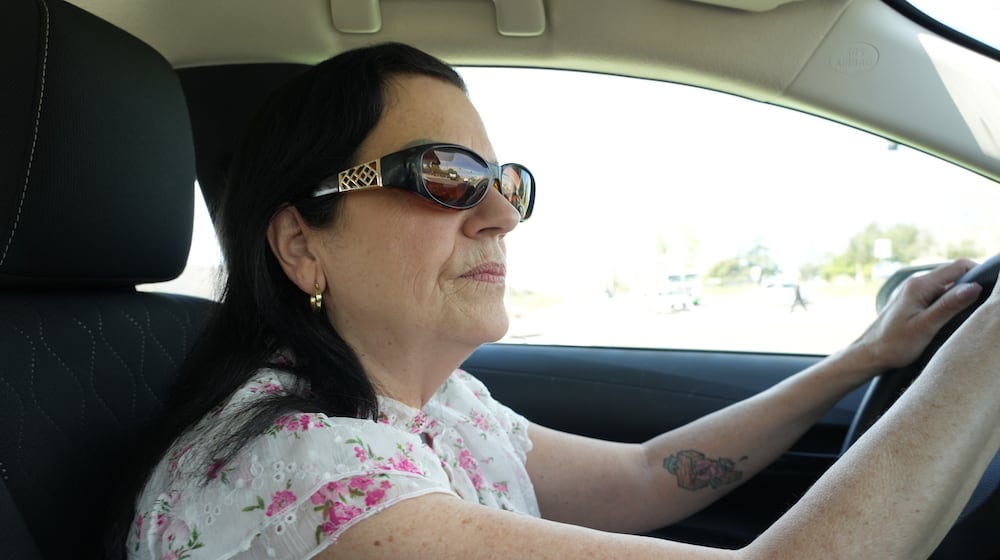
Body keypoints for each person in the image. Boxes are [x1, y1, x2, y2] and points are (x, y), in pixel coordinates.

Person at [109, 42, 1000, 560]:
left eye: (504, 180)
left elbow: (649, 476)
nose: (500, 214)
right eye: (446, 176)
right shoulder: (300, 469)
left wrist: (863, 358)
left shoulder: (433, 405)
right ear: (303, 244)